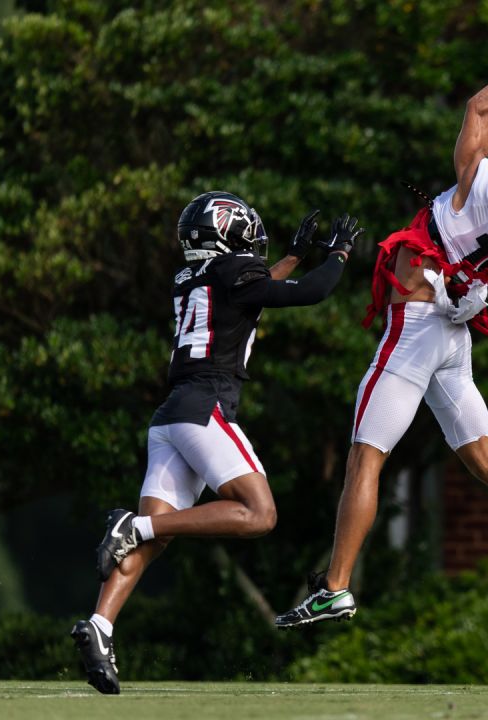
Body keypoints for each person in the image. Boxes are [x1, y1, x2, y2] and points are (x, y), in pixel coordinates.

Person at [275, 46, 488, 633]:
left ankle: (335, 587)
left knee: (364, 457)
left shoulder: (484, 186)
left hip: (417, 329)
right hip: (455, 338)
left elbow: (480, 109)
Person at [70, 191, 364, 695]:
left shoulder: (194, 277)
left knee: (154, 538)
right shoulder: (230, 275)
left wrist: (292, 256)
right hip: (206, 408)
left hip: (172, 415)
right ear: (225, 231)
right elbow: (309, 293)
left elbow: (253, 291)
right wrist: (336, 255)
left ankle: (100, 625)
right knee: (258, 514)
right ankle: (133, 524)